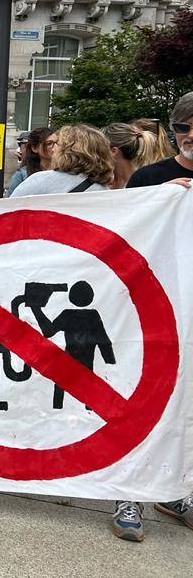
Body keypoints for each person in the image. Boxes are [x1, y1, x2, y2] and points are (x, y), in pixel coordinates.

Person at [112, 92, 193, 542]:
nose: (191, 135)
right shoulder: (151, 178)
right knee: (143, 402)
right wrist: (156, 203)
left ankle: (176, 490)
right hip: (155, 314)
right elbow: (123, 240)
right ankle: (129, 493)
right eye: (184, 127)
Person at [10, 124, 113, 196]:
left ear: (67, 150)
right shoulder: (104, 192)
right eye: (50, 143)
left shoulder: (38, 181)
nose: (54, 148)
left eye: (57, 144)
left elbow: (9, 215)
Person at [127, 94, 193, 187]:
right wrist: (159, 194)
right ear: (173, 129)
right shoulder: (145, 178)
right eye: (183, 127)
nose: (191, 135)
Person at [103, 123, 156, 189]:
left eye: (100, 149)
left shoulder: (145, 183)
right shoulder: (102, 183)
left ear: (113, 151)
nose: (98, 154)